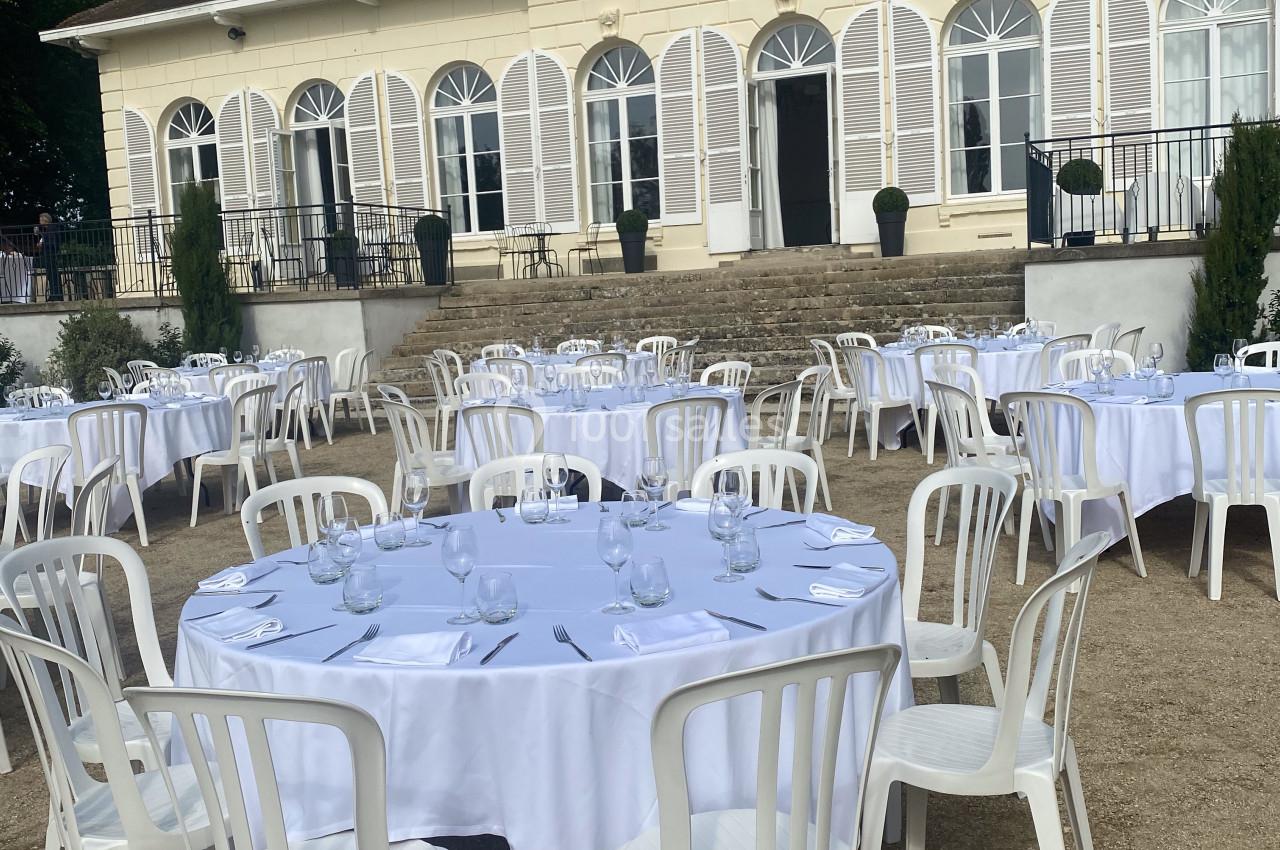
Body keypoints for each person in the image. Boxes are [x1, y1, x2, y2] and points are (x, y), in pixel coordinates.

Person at [36, 212, 62, 301]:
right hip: (50, 255)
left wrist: (42, 245)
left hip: (50, 255)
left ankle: (56, 295)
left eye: (40, 220)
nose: (39, 222)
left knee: (53, 275)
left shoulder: (51, 229)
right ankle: (54, 294)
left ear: (45, 220)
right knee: (52, 275)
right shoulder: (48, 230)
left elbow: (51, 244)